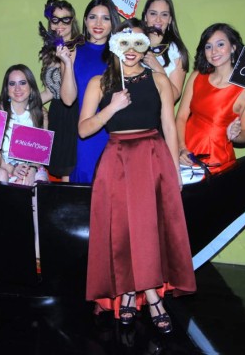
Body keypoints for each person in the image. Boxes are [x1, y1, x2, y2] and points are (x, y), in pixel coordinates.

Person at [80, 19, 196, 334]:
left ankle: (152, 298)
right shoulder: (98, 83)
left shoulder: (158, 80)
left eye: (138, 44)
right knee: (121, 231)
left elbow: (169, 126)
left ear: (144, 47)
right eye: (125, 43)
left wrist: (174, 171)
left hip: (152, 156)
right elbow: (84, 128)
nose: (131, 51)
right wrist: (112, 107)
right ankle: (129, 294)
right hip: (116, 160)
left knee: (148, 230)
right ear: (114, 44)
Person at [176, 23, 245, 177]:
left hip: (218, 167)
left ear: (233, 47)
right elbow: (180, 117)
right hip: (185, 158)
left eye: (220, 44)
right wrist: (180, 148)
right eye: (208, 47)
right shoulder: (197, 76)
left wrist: (236, 135)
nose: (214, 51)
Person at [69, 0, 120, 184]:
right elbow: (66, 97)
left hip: (113, 132)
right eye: (93, 17)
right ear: (85, 20)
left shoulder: (121, 56)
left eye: (105, 18)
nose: (98, 23)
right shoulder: (74, 51)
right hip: (84, 132)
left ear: (113, 22)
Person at [38, 0, 82, 181]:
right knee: (59, 174)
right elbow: (51, 91)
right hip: (57, 114)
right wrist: (19, 104)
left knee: (69, 173)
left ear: (73, 21)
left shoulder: (79, 49)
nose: (60, 25)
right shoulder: (52, 50)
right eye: (55, 20)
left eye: (66, 19)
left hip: (74, 114)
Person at [0, 64, 49, 186]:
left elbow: (41, 153)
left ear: (31, 87)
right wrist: (12, 169)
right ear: (6, 88)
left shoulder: (41, 113)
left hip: (32, 169)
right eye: (12, 84)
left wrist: (32, 170)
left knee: (38, 185)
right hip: (4, 169)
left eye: (22, 83)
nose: (17, 88)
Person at [141, 0, 190, 103]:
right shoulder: (132, 43)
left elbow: (174, 96)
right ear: (145, 16)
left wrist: (158, 68)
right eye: (153, 13)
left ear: (170, 19)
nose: (158, 20)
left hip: (158, 117)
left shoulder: (176, 51)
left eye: (164, 14)